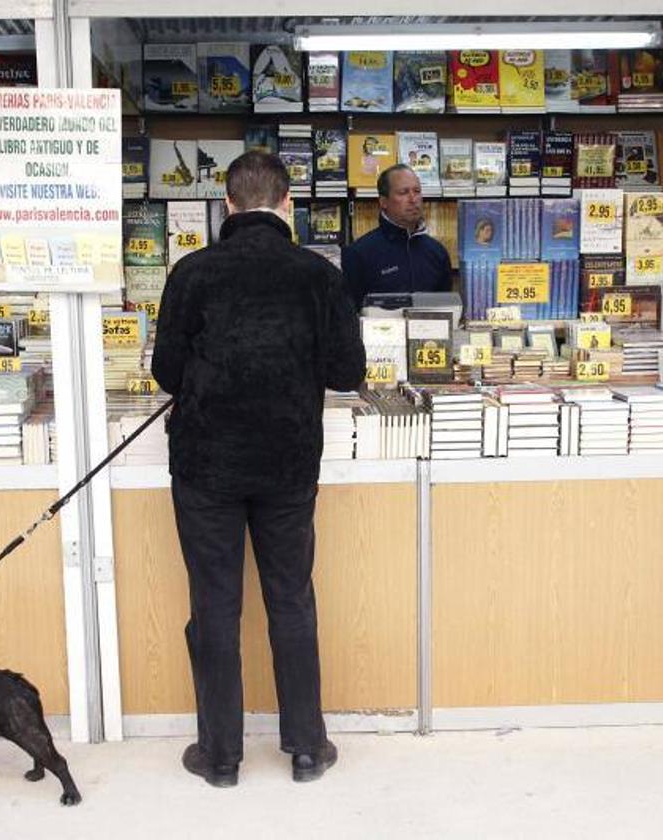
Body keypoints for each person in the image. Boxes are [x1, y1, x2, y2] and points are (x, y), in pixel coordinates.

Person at [152, 151, 366, 789]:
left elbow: (166, 371)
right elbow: (347, 373)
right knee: (291, 601)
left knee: (214, 607)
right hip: (288, 465)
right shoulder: (317, 275)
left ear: (227, 204)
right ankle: (305, 748)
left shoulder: (191, 272)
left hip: (205, 467)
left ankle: (220, 757)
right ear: (288, 204)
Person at [341, 163, 453, 308]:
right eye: (403, 192)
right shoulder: (359, 253)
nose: (413, 199)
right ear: (383, 202)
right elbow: (349, 313)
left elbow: (445, 310)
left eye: (417, 191)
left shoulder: (438, 252)